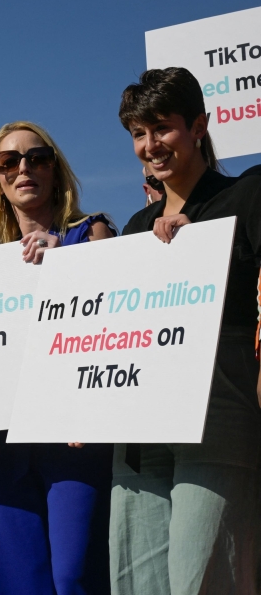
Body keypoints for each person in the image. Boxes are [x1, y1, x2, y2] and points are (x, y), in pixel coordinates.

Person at [111, 67, 261, 594]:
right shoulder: (132, 229)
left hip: (217, 412)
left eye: (162, 128)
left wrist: (201, 248)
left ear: (199, 126)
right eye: (137, 133)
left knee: (206, 578)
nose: (150, 145)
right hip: (138, 426)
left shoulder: (248, 195)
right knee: (137, 582)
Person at [0, 121, 115, 595]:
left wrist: (70, 262)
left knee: (76, 577)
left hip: (74, 439)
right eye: (8, 161)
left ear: (56, 169)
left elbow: (118, 318)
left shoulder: (92, 234)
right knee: (12, 584)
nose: (23, 168)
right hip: (0, 447)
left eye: (37, 157)